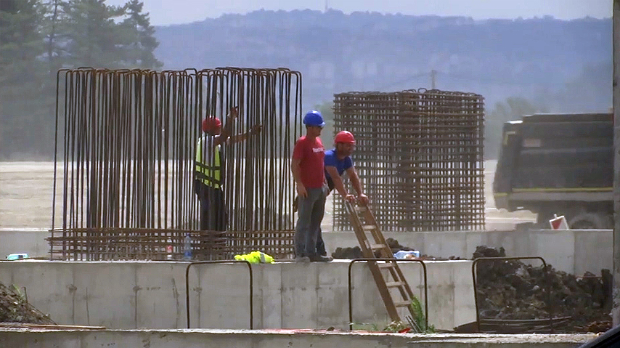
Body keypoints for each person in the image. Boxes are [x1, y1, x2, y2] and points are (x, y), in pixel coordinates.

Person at [194, 106, 262, 232]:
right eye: (218, 127)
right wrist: (230, 118)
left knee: (220, 217)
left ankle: (216, 242)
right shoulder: (206, 141)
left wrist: (250, 133)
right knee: (210, 217)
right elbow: (224, 137)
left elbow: (233, 139)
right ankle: (208, 244)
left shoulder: (213, 142)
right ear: (212, 129)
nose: (220, 129)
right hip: (206, 186)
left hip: (212, 186)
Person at [315, 131, 369, 256]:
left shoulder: (347, 159)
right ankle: (314, 249)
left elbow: (353, 176)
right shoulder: (329, 156)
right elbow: (335, 178)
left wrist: (360, 193)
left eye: (351, 146)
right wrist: (345, 195)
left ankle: (319, 249)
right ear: (339, 145)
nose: (350, 148)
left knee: (317, 219)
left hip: (327, 186)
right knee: (313, 220)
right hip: (317, 185)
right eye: (347, 145)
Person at [291, 110, 331, 262]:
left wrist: (324, 183)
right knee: (304, 221)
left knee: (316, 221)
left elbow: (320, 164)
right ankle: (299, 253)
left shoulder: (319, 143)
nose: (320, 130)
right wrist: (299, 184)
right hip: (307, 189)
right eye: (318, 127)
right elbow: (295, 164)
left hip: (320, 188)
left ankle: (312, 251)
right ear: (310, 127)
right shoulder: (302, 143)